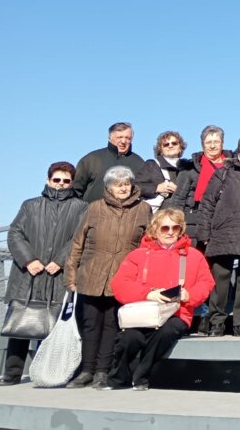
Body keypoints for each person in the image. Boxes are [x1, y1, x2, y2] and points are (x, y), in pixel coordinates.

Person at [98, 208, 214, 390]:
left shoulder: (194, 256)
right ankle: (118, 379)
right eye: (164, 228)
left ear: (181, 230)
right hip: (142, 311)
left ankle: (142, 376)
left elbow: (206, 283)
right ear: (155, 230)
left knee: (165, 333)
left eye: (175, 228)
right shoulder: (137, 255)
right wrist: (147, 294)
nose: (170, 232)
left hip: (177, 313)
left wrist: (189, 295)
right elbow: (120, 284)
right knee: (130, 338)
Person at [0, 162, 89, 386]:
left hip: (58, 276)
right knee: (19, 324)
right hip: (27, 275)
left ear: (72, 183)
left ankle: (49, 373)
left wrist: (59, 261)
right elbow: (15, 233)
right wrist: (29, 260)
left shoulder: (82, 207)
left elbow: (79, 237)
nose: (61, 184)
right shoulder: (30, 205)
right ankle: (12, 373)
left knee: (54, 326)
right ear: (49, 180)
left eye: (66, 181)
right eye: (57, 180)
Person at [65, 166, 151, 388]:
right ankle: (86, 370)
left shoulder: (143, 209)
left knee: (112, 326)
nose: (122, 188)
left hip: (122, 278)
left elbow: (148, 245)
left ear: (132, 185)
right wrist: (71, 274)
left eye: (126, 184)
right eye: (117, 184)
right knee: (90, 325)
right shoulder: (94, 208)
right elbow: (77, 243)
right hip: (91, 274)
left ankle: (102, 371)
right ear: (109, 187)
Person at [198, 135, 240, 337]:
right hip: (223, 234)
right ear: (238, 154)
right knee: (220, 282)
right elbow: (207, 204)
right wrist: (204, 232)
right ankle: (217, 323)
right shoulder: (224, 174)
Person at [172, 125, 231, 245]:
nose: (213, 146)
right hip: (194, 225)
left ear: (222, 144)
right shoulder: (190, 168)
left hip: (223, 224)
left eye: (216, 142)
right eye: (208, 142)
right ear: (202, 144)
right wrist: (175, 224)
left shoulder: (233, 167)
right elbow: (178, 199)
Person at [73, 122, 146, 203]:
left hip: (129, 214)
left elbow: (144, 191)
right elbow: (76, 190)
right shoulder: (91, 159)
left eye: (128, 138)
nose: (123, 141)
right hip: (94, 213)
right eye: (119, 137)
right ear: (110, 138)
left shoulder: (139, 163)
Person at [134, 131, 192, 214]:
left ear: (180, 148)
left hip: (184, 215)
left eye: (174, 143)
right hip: (160, 217)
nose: (170, 146)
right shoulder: (151, 165)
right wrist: (157, 188)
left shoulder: (189, 167)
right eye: (166, 144)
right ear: (160, 150)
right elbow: (135, 187)